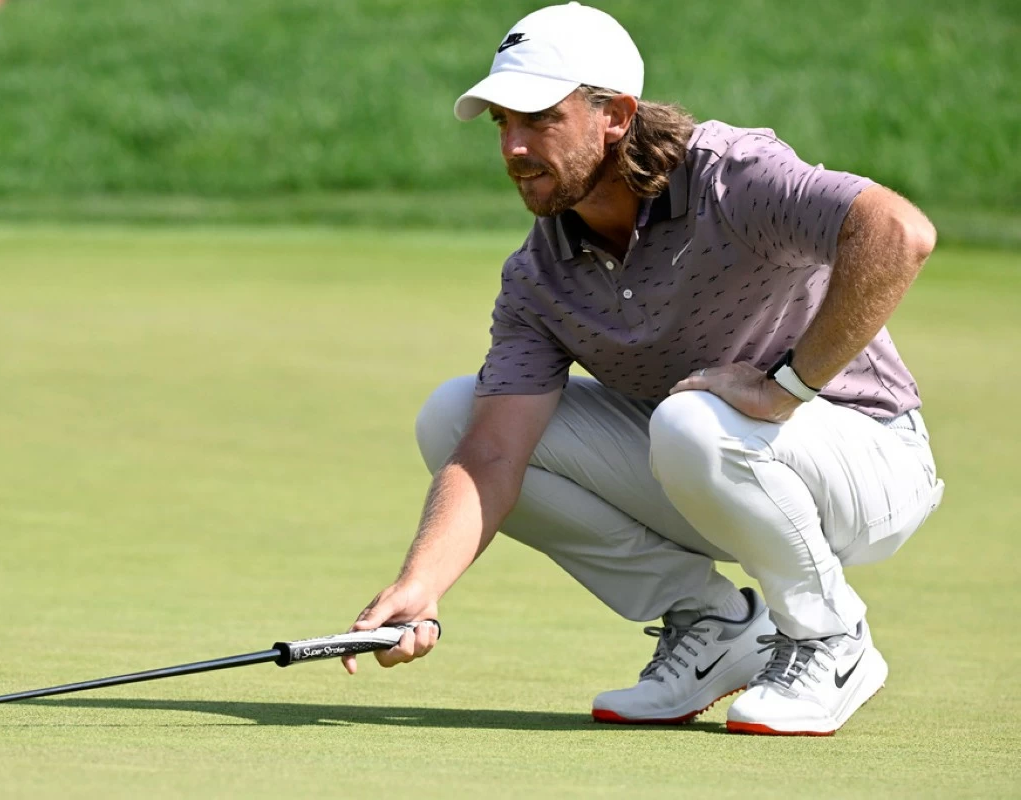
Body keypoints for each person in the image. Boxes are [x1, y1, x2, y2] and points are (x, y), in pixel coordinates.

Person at [341, 1, 944, 736]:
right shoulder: (541, 276)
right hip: (713, 466)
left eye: (540, 119)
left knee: (690, 422)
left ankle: (829, 639)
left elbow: (899, 232)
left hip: (872, 461)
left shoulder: (731, 176)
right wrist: (420, 586)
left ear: (616, 116)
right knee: (455, 417)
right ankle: (714, 623)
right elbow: (494, 452)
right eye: (504, 122)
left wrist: (785, 385)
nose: (515, 148)